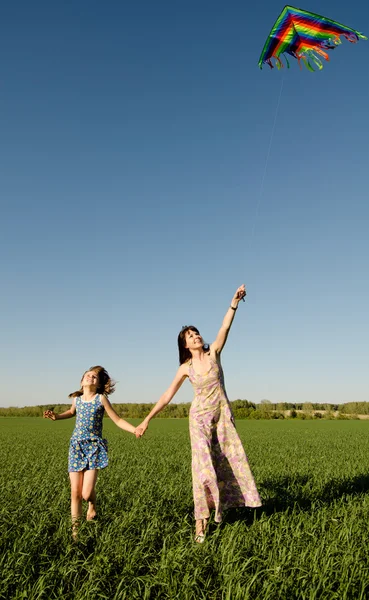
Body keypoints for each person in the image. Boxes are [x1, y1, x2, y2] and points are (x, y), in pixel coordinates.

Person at [136, 285, 261, 542]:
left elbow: (225, 328)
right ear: (184, 344)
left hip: (222, 418)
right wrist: (147, 419)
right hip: (199, 420)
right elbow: (167, 395)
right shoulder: (186, 367)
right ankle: (200, 523)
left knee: (226, 464)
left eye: (196, 333)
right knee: (203, 469)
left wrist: (233, 303)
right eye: (190, 335)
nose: (196, 336)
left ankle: (222, 509)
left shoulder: (214, 352)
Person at [43, 365, 138, 539]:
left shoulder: (100, 399)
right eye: (88, 375)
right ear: (81, 382)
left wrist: (134, 430)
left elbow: (117, 420)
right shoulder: (77, 400)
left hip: (94, 447)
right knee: (75, 492)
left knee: (86, 493)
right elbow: (71, 413)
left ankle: (92, 505)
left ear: (99, 383)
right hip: (76, 447)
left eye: (94, 377)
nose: (90, 378)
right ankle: (76, 533)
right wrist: (56, 416)